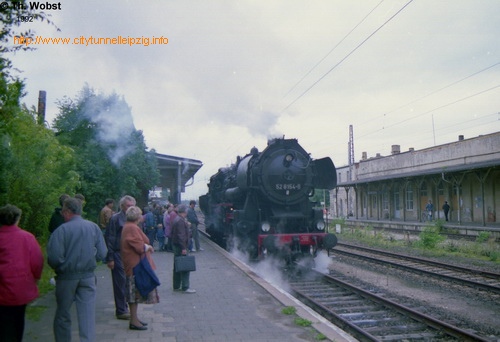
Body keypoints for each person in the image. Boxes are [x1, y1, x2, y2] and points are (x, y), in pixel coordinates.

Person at [47, 197, 107, 342]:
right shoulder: (93, 227)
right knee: (87, 314)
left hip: (66, 277)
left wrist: (61, 267)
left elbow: (54, 258)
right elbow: (102, 253)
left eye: (63, 211)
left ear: (67, 211)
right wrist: (91, 260)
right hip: (88, 276)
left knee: (63, 314)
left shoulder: (61, 230)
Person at [0, 204, 44, 342]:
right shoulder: (27, 237)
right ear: (17, 219)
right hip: (20, 287)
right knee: (18, 319)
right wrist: (36, 277)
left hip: (1, 288)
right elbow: (37, 260)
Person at [121, 206, 159, 330]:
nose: (142, 217)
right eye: (141, 215)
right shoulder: (131, 227)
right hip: (134, 266)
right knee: (133, 295)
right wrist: (147, 247)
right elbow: (138, 246)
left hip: (134, 264)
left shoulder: (131, 226)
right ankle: (133, 321)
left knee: (135, 295)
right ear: (137, 216)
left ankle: (135, 319)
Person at [105, 195, 136, 320]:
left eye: (132, 206)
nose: (130, 208)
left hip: (129, 255)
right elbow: (110, 238)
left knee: (128, 282)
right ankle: (121, 310)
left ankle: (126, 307)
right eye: (128, 206)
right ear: (122, 206)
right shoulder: (115, 219)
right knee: (120, 282)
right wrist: (110, 258)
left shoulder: (132, 219)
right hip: (118, 254)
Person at [171, 204, 195, 293]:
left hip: (177, 246)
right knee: (185, 266)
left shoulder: (177, 219)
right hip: (181, 247)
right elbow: (181, 236)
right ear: (185, 211)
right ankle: (185, 287)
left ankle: (176, 286)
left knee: (177, 266)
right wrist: (184, 248)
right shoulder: (180, 221)